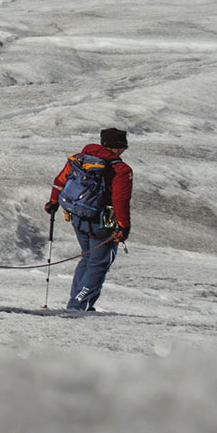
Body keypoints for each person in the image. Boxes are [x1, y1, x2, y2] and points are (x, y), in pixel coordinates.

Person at [47, 128, 133, 313]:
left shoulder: (80, 158)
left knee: (87, 257)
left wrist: (53, 202)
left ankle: (76, 302)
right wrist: (124, 227)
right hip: (101, 222)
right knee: (99, 262)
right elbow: (120, 200)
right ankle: (80, 306)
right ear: (118, 147)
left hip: (77, 216)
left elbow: (59, 181)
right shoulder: (120, 170)